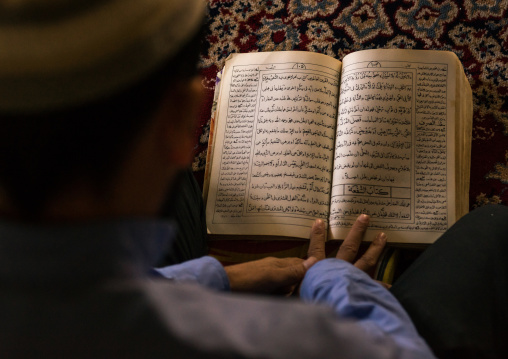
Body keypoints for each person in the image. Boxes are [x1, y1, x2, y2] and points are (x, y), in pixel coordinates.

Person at [0, 1, 504, 358]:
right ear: (183, 121)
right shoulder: (298, 341)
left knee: (177, 192)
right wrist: (334, 281)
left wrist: (225, 275)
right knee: (493, 229)